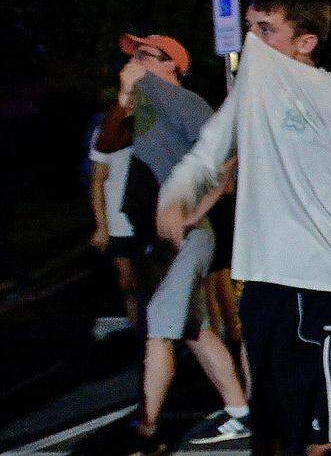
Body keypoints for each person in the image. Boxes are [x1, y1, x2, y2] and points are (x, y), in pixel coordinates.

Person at [159, 0, 331, 454]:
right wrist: (173, 199)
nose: (251, 41)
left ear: (306, 42)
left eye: (266, 30)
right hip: (262, 286)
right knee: (279, 433)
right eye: (250, 29)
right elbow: (206, 154)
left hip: (324, 288)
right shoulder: (251, 97)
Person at [94, 33, 250, 449]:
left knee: (161, 325)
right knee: (195, 330)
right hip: (159, 237)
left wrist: (194, 211)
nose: (136, 62)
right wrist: (125, 93)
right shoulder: (141, 108)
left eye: (146, 55)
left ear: (171, 66)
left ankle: (148, 431)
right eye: (135, 56)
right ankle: (239, 410)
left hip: (193, 233)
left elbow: (228, 159)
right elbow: (107, 146)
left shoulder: (187, 103)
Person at [88, 96, 140, 329]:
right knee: (128, 281)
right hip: (119, 221)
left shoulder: (153, 125)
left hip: (149, 217)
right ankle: (138, 331)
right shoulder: (108, 131)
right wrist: (101, 226)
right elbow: (97, 180)